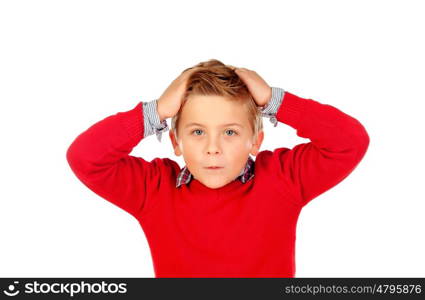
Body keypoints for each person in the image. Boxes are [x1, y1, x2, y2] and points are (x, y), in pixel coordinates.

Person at [66, 59, 370, 277]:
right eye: (198, 132)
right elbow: (85, 157)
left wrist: (274, 100)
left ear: (255, 141)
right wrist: (155, 111)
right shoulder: (153, 189)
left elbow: (350, 141)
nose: (213, 147)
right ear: (175, 141)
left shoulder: (282, 179)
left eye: (230, 132)